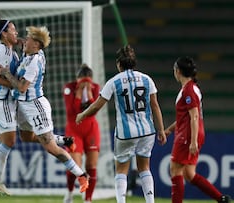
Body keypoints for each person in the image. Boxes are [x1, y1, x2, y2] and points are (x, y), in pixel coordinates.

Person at [0, 5, 74, 196]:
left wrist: (20, 42)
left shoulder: (11, 50)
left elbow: (18, 49)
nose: (17, 32)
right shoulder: (3, 50)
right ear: (4, 34)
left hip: (8, 100)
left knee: (5, 139)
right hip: (2, 100)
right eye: (12, 29)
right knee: (9, 140)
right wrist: (18, 85)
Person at [0, 25, 89, 194]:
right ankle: (65, 140)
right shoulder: (30, 52)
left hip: (35, 106)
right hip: (22, 106)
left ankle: (81, 175)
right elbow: (23, 43)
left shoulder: (34, 61)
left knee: (51, 148)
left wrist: (6, 73)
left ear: (36, 45)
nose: (25, 40)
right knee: (27, 137)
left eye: (29, 39)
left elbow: (22, 87)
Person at [76, 45, 167, 203]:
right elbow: (155, 105)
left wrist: (83, 114)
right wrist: (161, 130)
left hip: (126, 133)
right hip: (147, 131)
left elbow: (98, 105)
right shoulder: (147, 79)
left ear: (119, 63)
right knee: (144, 168)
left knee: (121, 170)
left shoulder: (114, 81)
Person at [164, 56, 231, 203]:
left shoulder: (189, 91)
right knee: (189, 173)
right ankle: (221, 199)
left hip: (188, 135)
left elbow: (194, 116)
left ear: (178, 71)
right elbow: (186, 117)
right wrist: (169, 130)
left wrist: (193, 141)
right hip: (193, 132)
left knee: (175, 170)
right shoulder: (191, 88)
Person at [62, 64, 101, 203]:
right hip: (74, 129)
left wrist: (89, 94)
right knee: (75, 166)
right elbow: (72, 111)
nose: (85, 85)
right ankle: (69, 193)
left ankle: (88, 199)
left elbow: (94, 110)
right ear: (77, 80)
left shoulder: (96, 88)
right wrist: (78, 94)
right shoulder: (69, 88)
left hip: (91, 128)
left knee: (91, 166)